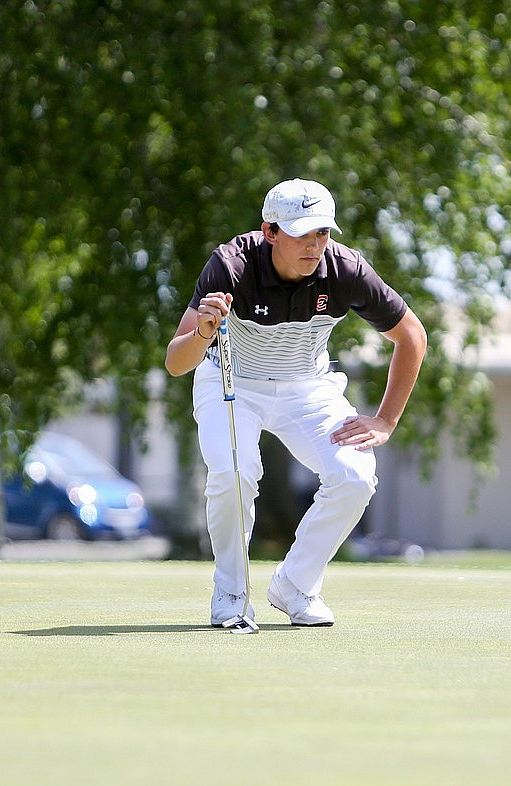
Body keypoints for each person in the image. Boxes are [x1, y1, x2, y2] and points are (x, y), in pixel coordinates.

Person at [165, 178, 427, 627]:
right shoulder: (231, 266)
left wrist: (385, 420)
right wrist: (204, 332)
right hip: (231, 382)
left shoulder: (345, 270)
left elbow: (412, 337)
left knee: (354, 476)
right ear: (269, 232)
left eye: (322, 233)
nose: (314, 245)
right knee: (233, 473)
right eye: (301, 233)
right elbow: (176, 361)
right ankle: (230, 592)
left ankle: (295, 586)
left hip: (308, 387)